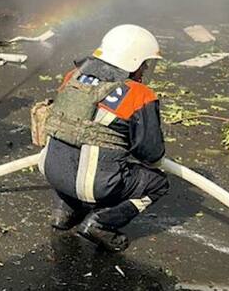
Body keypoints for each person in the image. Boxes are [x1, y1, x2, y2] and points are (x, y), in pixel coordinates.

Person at [40, 24, 169, 252]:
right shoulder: (138, 95)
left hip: (51, 170)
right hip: (92, 185)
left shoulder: (73, 77)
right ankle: (101, 223)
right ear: (133, 61)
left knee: (73, 150)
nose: (146, 68)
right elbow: (151, 154)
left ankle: (64, 213)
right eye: (144, 63)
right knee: (157, 184)